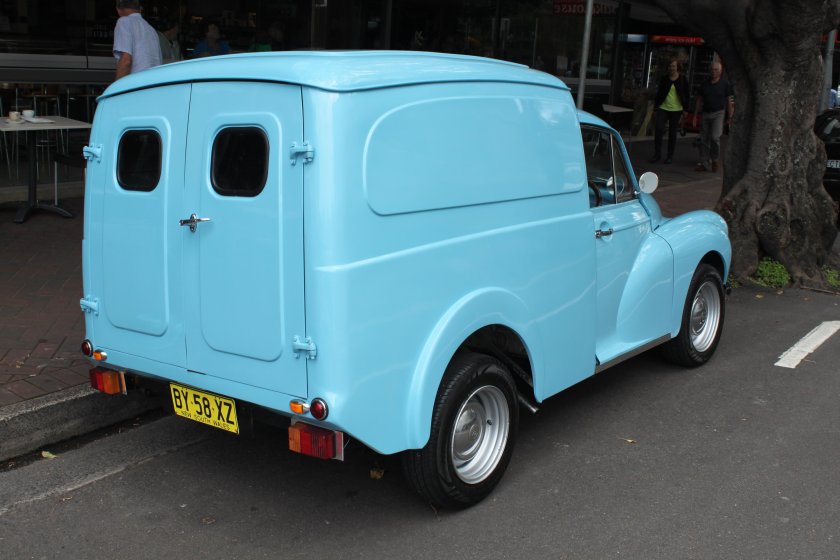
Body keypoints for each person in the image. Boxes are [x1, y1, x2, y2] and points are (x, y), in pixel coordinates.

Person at [693, 61, 735, 172]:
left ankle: (715, 160)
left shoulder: (725, 84)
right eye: (712, 69)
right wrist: (695, 115)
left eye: (716, 70)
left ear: (720, 72)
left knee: (715, 137)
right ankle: (704, 162)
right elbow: (699, 100)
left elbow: (728, 101)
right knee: (703, 139)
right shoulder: (704, 84)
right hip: (706, 112)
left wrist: (730, 117)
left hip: (718, 113)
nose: (713, 71)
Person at [649, 57, 689, 164]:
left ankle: (669, 156)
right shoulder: (664, 79)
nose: (672, 68)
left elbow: (687, 95)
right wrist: (655, 108)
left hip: (676, 109)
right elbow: (659, 93)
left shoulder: (682, 79)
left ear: (677, 67)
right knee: (658, 129)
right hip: (663, 107)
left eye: (674, 66)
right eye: (670, 66)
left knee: (672, 133)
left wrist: (686, 109)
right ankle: (657, 154)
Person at [113, 0, 161, 80]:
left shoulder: (124, 21)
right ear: (140, 9)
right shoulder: (151, 30)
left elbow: (126, 61)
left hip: (136, 86)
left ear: (118, 10)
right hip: (154, 85)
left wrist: (115, 89)